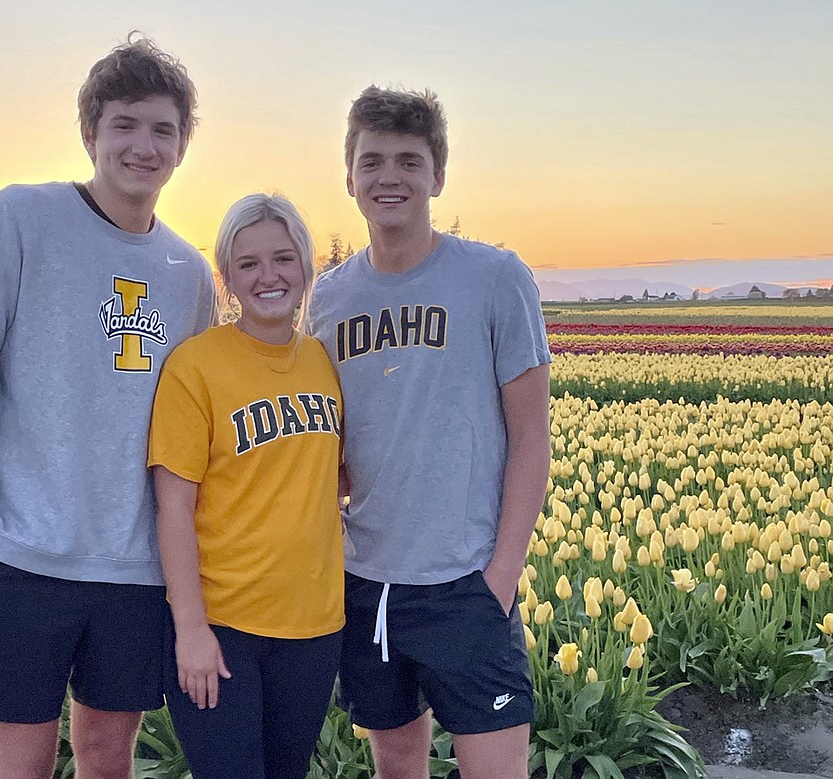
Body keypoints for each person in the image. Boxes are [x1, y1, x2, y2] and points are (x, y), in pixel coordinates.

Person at [0, 35, 215, 779]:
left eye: (162, 129)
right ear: (90, 133)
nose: (142, 145)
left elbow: (195, 429)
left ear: (183, 145)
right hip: (21, 557)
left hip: (134, 567)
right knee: (18, 762)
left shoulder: (189, 275)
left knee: (107, 755)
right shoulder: (19, 220)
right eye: (124, 124)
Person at [304, 86, 552, 779]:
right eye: (373, 160)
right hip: (369, 581)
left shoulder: (496, 279)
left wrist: (499, 577)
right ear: (349, 175)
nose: (390, 177)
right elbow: (336, 441)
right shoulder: (329, 298)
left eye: (410, 161)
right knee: (396, 768)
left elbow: (532, 438)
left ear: (438, 175)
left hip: (465, 581)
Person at [149, 194, 344, 779]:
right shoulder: (196, 365)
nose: (269, 276)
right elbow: (172, 507)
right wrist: (191, 630)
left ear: (307, 268)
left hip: (314, 627)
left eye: (283, 259)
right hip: (224, 628)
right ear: (227, 277)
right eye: (248, 263)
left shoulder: (325, 361)